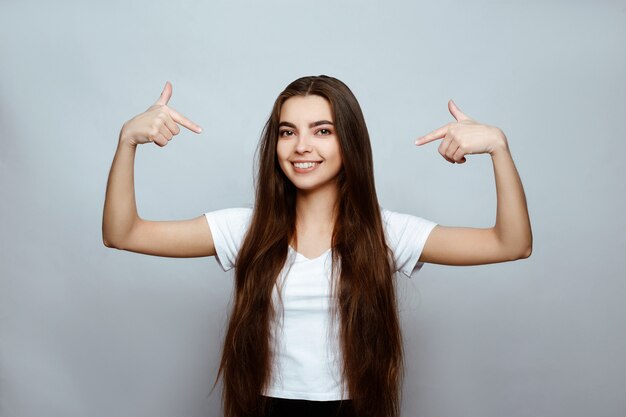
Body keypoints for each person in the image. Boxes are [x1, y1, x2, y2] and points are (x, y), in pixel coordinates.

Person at [102, 75, 532, 417]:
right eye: (288, 132)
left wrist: (498, 148)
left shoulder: (386, 233)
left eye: (321, 130)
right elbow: (123, 233)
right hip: (263, 408)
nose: (302, 146)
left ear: (349, 141)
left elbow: (510, 244)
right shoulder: (244, 229)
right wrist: (127, 142)